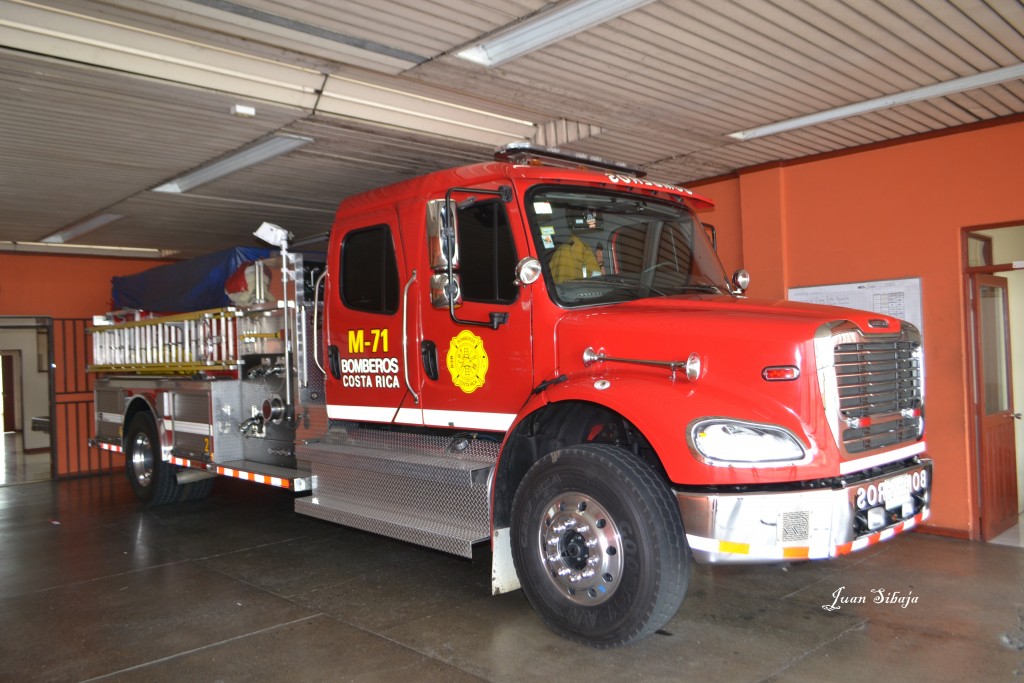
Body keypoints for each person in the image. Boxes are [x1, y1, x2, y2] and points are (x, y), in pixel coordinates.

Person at [549, 209, 603, 283]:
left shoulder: (586, 249)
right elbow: (566, 289)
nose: (594, 226)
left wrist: (600, 261)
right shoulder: (567, 252)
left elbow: (598, 279)